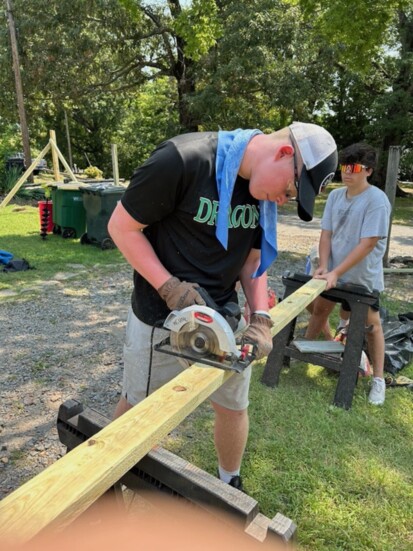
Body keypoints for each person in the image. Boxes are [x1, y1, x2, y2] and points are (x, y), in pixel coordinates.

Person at [108, 122, 338, 489]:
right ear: (283, 154)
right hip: (159, 314)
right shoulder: (182, 160)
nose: (284, 199)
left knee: (233, 406)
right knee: (139, 406)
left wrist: (260, 316)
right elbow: (122, 228)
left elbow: (252, 262)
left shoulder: (260, 194)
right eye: (292, 189)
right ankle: (106, 476)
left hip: (222, 317)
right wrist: (169, 287)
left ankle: (230, 483)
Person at [305, 143, 391, 405]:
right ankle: (300, 355)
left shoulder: (377, 200)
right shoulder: (335, 197)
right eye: (344, 167)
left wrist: (337, 272)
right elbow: (326, 233)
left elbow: (368, 243)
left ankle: (378, 380)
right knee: (319, 311)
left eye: (353, 168)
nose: (347, 173)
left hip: (361, 277)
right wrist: (323, 265)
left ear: (368, 170)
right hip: (333, 272)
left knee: (370, 326)